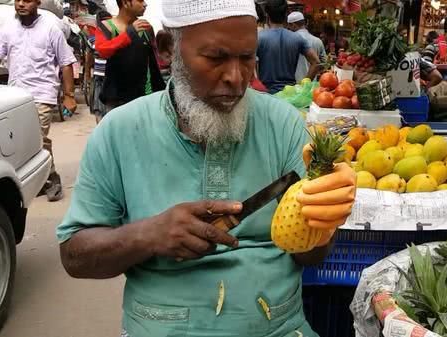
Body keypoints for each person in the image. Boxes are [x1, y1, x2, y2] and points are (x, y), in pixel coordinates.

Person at [57, 1, 356, 337]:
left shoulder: (282, 123)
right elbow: (75, 256)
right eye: (215, 58)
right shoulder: (119, 131)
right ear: (168, 48)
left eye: (247, 58)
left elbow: (311, 256)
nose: (236, 77)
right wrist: (148, 235)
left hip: (278, 327)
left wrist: (325, 222)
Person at [0, 0, 77, 201]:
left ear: (38, 3)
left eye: (27, 0)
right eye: (18, 0)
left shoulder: (51, 29)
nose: (21, 4)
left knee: (38, 138)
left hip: (42, 94)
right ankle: (39, 177)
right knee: (23, 141)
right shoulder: (8, 28)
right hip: (16, 95)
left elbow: (66, 63)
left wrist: (69, 96)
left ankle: (51, 178)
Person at [94, 0, 165, 115]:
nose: (145, 4)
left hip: (144, 98)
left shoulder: (146, 28)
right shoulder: (107, 26)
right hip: (117, 100)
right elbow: (102, 50)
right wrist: (129, 33)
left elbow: (153, 62)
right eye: (140, 0)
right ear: (126, 3)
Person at [257, 0, 320, 94]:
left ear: (267, 16)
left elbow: (248, 64)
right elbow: (316, 62)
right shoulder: (297, 38)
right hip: (289, 95)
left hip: (265, 95)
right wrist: (303, 87)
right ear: (286, 16)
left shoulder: (259, 38)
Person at [287, 11, 326, 83]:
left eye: (289, 27)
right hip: (312, 87)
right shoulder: (318, 41)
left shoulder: (289, 40)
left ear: (293, 25)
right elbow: (323, 64)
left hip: (293, 87)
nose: (288, 29)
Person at [91, 10, 111, 123]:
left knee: (100, 108)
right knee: (101, 108)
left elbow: (89, 56)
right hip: (102, 77)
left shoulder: (94, 38)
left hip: (105, 76)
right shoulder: (116, 35)